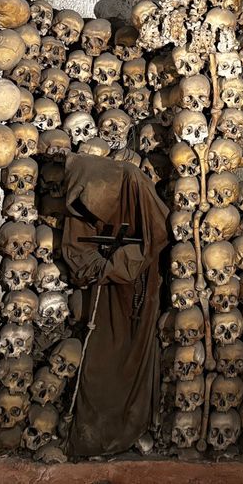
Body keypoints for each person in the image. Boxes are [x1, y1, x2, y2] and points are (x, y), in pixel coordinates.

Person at [61, 153, 169, 457]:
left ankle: (134, 426)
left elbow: (156, 236)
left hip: (138, 290)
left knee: (136, 357)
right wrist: (100, 268)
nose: (90, 212)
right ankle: (94, 431)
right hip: (102, 293)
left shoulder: (134, 182)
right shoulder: (81, 197)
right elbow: (76, 250)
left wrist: (115, 264)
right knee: (99, 359)